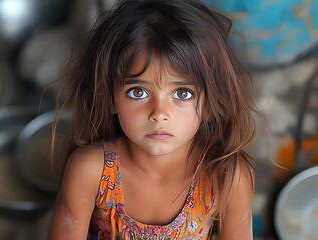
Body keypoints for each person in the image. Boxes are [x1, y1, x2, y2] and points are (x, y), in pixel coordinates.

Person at [48, 0, 256, 239]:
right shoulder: (91, 171)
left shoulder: (227, 177)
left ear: (210, 104)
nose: (159, 113)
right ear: (111, 98)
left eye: (182, 93)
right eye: (139, 92)